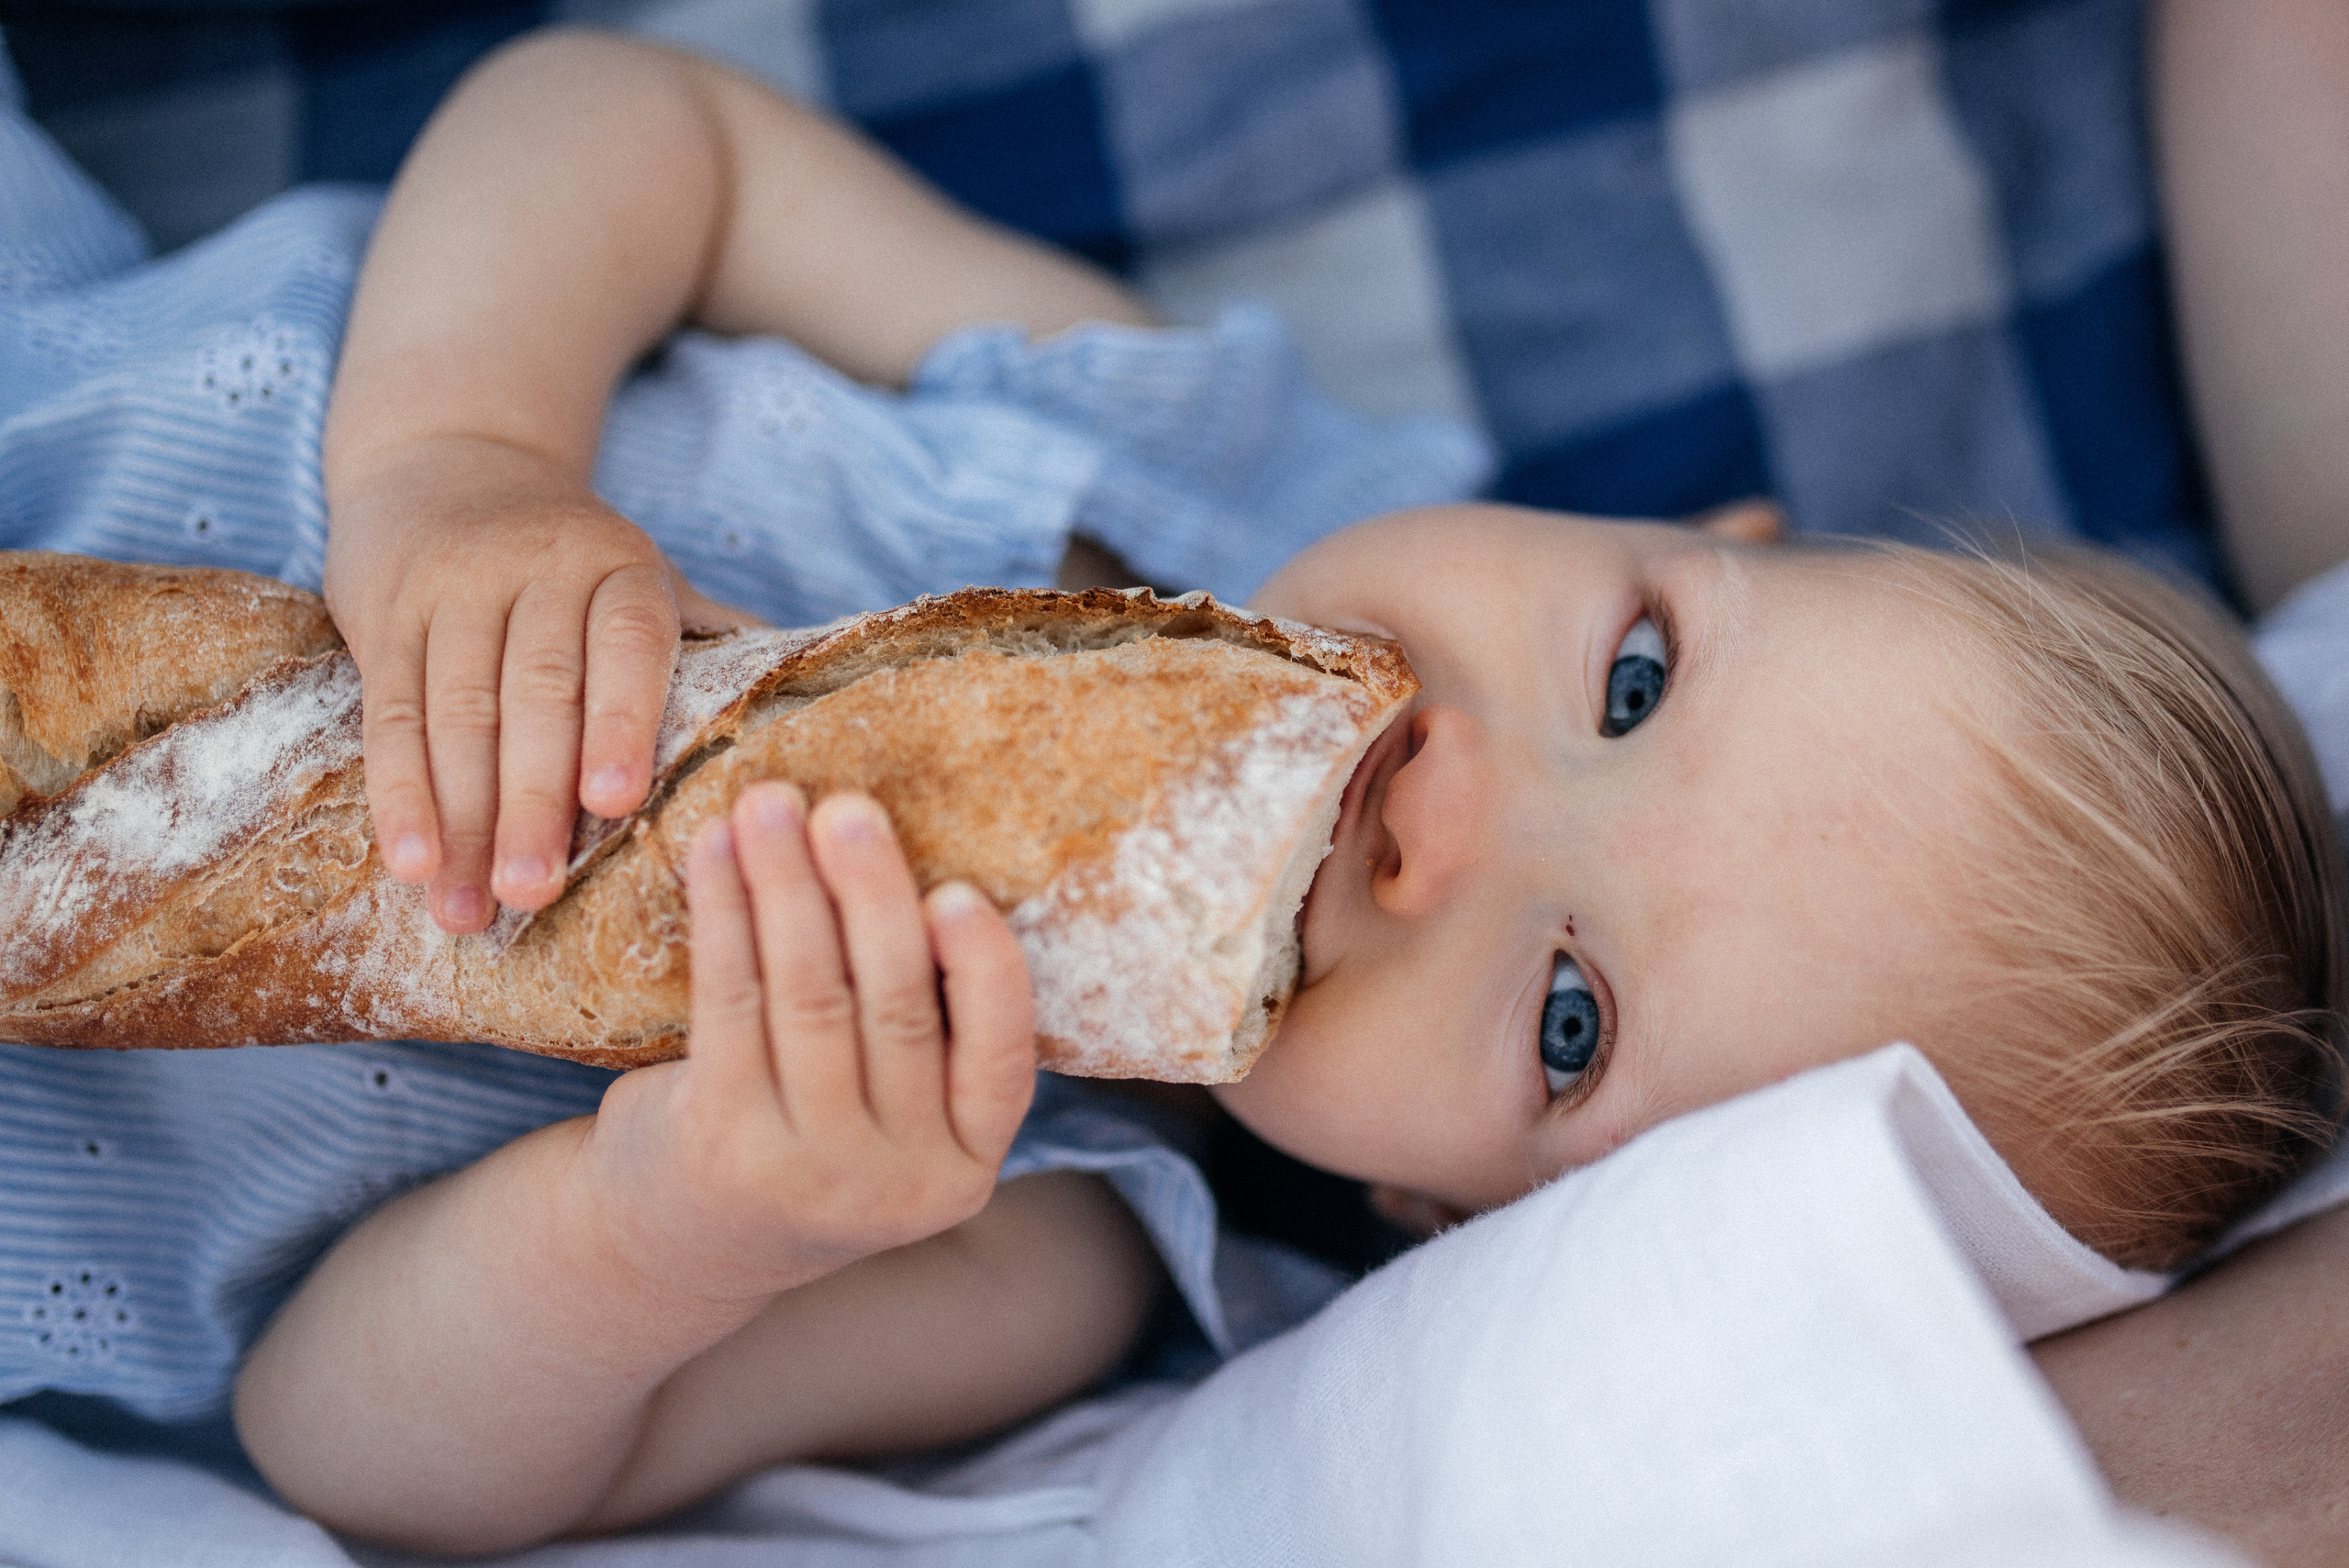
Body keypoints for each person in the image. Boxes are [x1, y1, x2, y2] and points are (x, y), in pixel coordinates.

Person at [202, 30, 2344, 1552]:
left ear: (1453, 1227)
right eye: (1631, 676)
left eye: (1566, 1017)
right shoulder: (1174, 465)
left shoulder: (1032, 1222)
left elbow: (346, 1450)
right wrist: (460, 455)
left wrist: (666, 1229)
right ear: (1717, 530)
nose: (1455, 811)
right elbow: (642, 127)